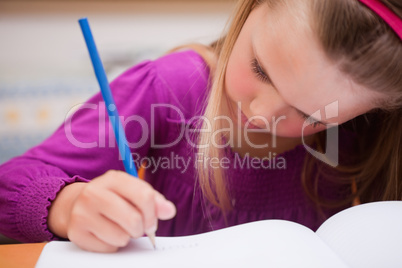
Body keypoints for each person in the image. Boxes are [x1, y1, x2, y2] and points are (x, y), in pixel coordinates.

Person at [0, 0, 401, 253]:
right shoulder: (169, 87)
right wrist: (68, 206)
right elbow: (9, 183)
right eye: (260, 69)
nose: (261, 115)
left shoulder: (370, 131)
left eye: (314, 115)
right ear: (251, 7)